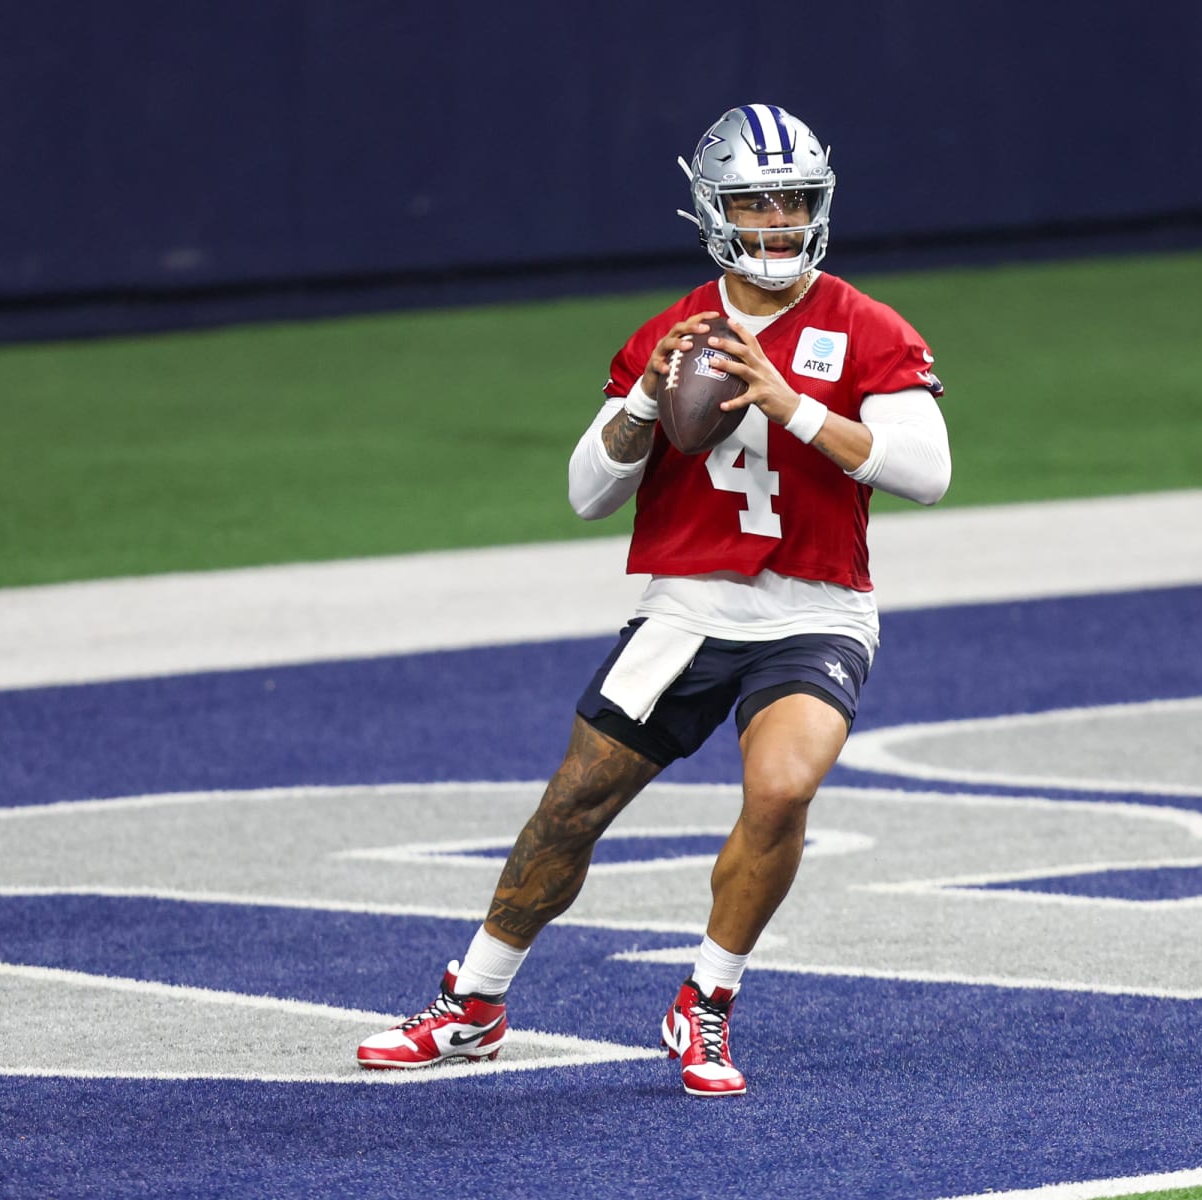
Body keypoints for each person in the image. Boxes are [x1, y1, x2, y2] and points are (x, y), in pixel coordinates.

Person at [358, 103, 951, 1096]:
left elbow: (928, 473)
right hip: (685, 609)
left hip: (814, 608)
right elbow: (587, 494)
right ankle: (474, 1003)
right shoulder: (669, 335)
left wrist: (791, 403)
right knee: (573, 804)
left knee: (783, 790)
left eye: (794, 200)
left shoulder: (868, 328)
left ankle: (706, 1000)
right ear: (715, 210)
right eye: (756, 202)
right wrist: (643, 400)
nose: (778, 221)